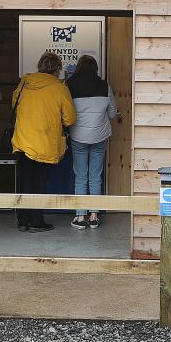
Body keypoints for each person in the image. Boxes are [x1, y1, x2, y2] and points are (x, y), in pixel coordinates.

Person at [10, 51, 76, 233]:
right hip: (45, 142)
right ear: (57, 69)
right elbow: (70, 119)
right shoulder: (60, 88)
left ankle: (22, 221)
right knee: (39, 182)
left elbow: (14, 104)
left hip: (23, 140)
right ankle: (36, 221)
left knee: (25, 181)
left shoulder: (24, 83)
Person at [66, 55, 119, 230]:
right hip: (99, 136)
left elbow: (66, 113)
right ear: (95, 68)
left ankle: (81, 217)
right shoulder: (104, 85)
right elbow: (112, 114)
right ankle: (94, 216)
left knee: (81, 176)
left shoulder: (70, 85)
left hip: (78, 136)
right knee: (95, 176)